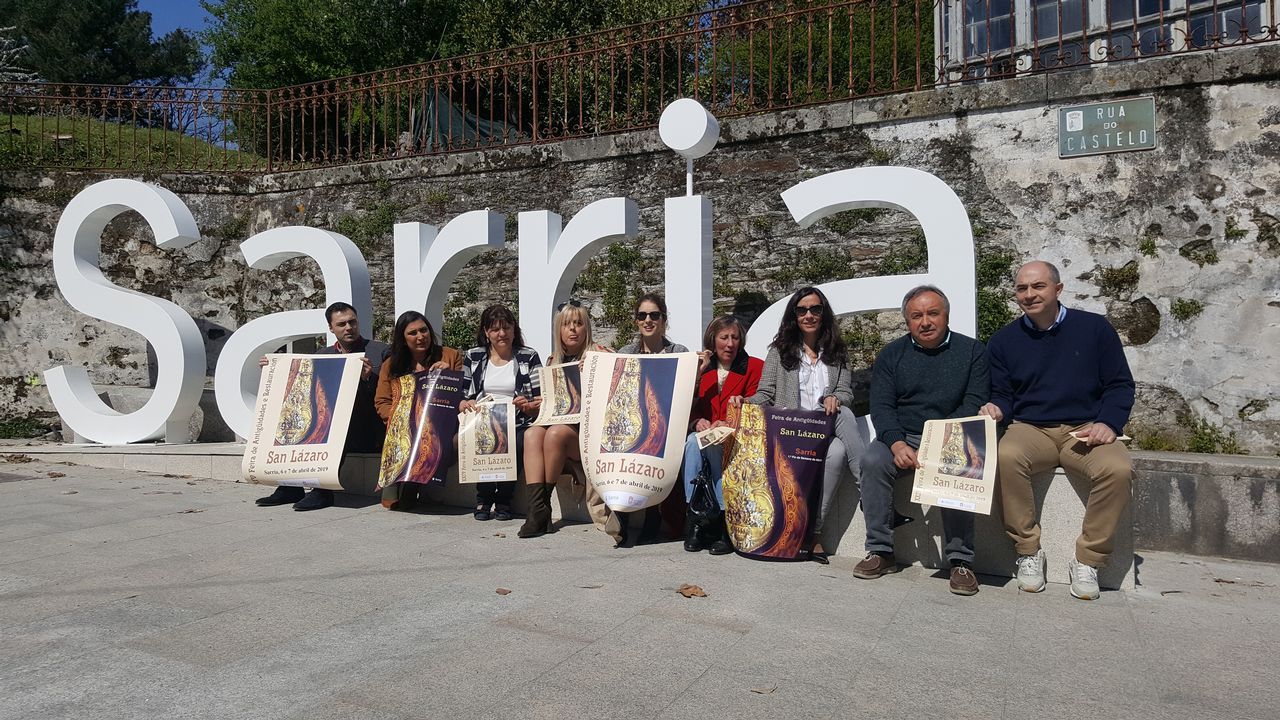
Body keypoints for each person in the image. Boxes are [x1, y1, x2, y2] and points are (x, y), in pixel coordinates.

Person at [980, 260, 1135, 601]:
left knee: (1119, 469)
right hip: (1032, 428)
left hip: (1085, 429)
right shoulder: (1004, 341)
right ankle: (1028, 551)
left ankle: (1089, 559)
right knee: (1005, 456)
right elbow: (1003, 395)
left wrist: (1109, 422)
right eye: (1022, 288)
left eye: (1038, 287)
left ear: (1058, 289)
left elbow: (1120, 384)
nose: (1029, 294)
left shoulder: (1094, 330)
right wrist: (996, 408)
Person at [854, 285, 988, 595]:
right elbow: (882, 406)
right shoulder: (892, 354)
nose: (925, 322)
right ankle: (881, 551)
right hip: (904, 434)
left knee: (957, 466)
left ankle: (960, 561)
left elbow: (975, 399)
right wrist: (897, 443)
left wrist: (940, 440)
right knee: (872, 461)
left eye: (932, 313)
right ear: (907, 321)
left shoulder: (972, 352)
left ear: (946, 315)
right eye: (916, 316)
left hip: (951, 433)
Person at [734, 286, 865, 563]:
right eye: (802, 310)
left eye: (815, 309)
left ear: (823, 314)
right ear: (794, 315)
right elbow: (766, 394)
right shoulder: (779, 352)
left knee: (841, 438)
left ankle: (814, 532)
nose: (809, 315)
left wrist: (834, 397)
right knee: (844, 433)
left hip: (825, 429)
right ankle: (872, 493)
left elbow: (846, 393)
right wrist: (746, 401)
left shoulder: (837, 352)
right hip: (792, 432)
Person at [255, 301, 388, 511]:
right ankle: (290, 487)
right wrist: (274, 369)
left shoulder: (380, 351)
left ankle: (322, 492)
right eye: (342, 324)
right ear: (331, 328)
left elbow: (390, 395)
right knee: (298, 415)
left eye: (352, 322)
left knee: (333, 424)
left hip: (368, 428)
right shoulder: (322, 355)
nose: (348, 328)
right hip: (331, 423)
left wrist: (369, 378)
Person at [519, 300, 612, 538]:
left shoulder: (601, 355)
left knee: (556, 433)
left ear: (586, 328)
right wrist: (534, 406)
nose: (573, 329)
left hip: (592, 436)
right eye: (567, 324)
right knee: (532, 433)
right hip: (563, 429)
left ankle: (542, 507)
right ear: (559, 330)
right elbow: (549, 408)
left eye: (578, 323)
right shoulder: (553, 361)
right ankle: (538, 510)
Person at [681, 315, 763, 554]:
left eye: (735, 338)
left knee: (718, 446)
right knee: (691, 444)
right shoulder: (702, 370)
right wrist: (697, 421)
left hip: (737, 438)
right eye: (724, 337)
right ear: (713, 340)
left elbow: (757, 407)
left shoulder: (755, 367)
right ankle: (696, 518)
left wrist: (729, 422)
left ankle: (722, 522)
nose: (730, 344)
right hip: (704, 436)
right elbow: (683, 407)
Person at [615, 292, 689, 545]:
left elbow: (686, 393)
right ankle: (622, 520)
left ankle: (652, 519)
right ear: (636, 321)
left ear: (664, 320)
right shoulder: (625, 352)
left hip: (667, 426)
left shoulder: (678, 352)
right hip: (632, 423)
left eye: (654, 315)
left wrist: (698, 373)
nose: (648, 320)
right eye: (642, 315)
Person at [459, 304, 543, 522]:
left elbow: (540, 395)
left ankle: (504, 499)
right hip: (482, 419)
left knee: (514, 441)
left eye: (506, 328)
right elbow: (464, 393)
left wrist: (528, 403)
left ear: (515, 330)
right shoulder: (473, 356)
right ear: (486, 332)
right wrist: (465, 402)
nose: (502, 334)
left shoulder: (528, 356)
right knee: (483, 438)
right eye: (495, 329)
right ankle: (484, 498)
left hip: (518, 420)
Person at [373, 310, 463, 510]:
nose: (421, 336)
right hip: (405, 424)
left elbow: (461, 394)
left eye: (424, 330)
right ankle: (404, 488)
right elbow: (382, 402)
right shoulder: (391, 365)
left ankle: (413, 489)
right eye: (412, 333)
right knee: (408, 433)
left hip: (442, 424)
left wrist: (446, 374)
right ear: (403, 339)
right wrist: (401, 419)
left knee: (431, 435)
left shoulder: (450, 356)